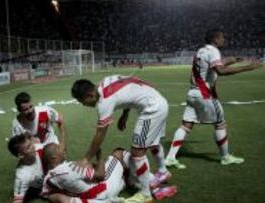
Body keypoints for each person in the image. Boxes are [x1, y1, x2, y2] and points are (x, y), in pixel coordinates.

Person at [165, 29, 265, 169]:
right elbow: (220, 70)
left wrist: (232, 60)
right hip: (205, 94)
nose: (224, 40)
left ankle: (170, 158)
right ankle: (225, 157)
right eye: (222, 37)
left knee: (186, 125)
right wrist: (248, 67)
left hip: (193, 93)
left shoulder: (201, 51)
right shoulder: (214, 51)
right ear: (215, 39)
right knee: (220, 124)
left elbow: (214, 65)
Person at [71, 75, 172, 203]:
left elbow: (100, 134)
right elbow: (129, 89)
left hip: (152, 109)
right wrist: (125, 115)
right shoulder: (105, 81)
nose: (84, 105)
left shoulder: (104, 101)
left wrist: (86, 159)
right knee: (153, 143)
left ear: (90, 95)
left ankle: (145, 193)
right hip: (159, 101)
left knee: (137, 152)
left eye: (82, 101)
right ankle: (163, 171)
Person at [41, 144, 177, 203]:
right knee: (118, 153)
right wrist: (99, 155)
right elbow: (101, 175)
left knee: (123, 172)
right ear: (54, 158)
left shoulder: (48, 178)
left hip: (92, 197)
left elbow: (46, 194)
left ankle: (140, 184)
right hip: (104, 188)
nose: (63, 150)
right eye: (60, 150)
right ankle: (152, 182)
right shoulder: (71, 168)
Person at [7, 133, 46, 203]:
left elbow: (56, 151)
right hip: (39, 188)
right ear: (21, 155)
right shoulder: (22, 175)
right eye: (28, 147)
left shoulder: (39, 148)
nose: (33, 147)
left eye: (31, 143)